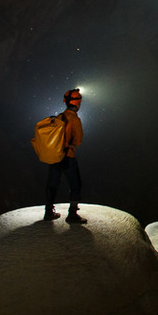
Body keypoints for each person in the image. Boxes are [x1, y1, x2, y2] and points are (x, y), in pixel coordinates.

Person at [44, 88, 87, 223]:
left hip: (55, 156)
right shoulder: (75, 119)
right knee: (75, 184)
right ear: (77, 104)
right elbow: (78, 139)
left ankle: (48, 212)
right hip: (68, 156)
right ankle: (72, 214)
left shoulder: (59, 117)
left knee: (53, 184)